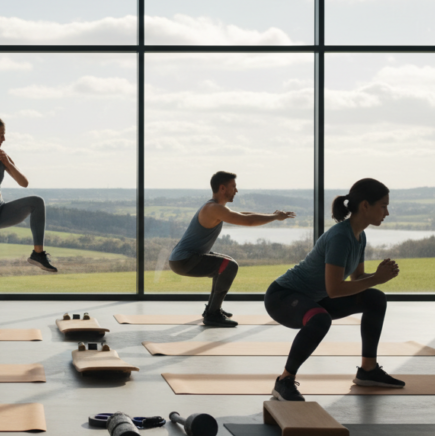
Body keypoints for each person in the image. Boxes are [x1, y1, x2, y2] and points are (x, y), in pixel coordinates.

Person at [265, 178, 403, 402]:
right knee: (320, 319)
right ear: (365, 206)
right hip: (282, 296)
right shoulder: (340, 236)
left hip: (316, 297)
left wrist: (378, 277)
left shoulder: (360, 235)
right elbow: (336, 288)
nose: (387, 212)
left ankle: (368, 370)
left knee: (375, 299)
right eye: (383, 206)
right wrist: (376, 278)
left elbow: (357, 278)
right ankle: (284, 381)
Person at [0, 115, 57, 338]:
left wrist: (7, 163)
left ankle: (38, 254)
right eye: (0, 135)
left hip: (0, 209)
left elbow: (23, 183)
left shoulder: (1, 156)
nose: (4, 139)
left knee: (37, 202)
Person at [169, 171, 296, 327]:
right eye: (233, 186)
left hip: (184, 259)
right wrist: (275, 217)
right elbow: (247, 221)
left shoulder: (216, 207)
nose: (236, 190)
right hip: (184, 260)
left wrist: (272, 215)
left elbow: (242, 214)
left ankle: (212, 309)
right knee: (229, 266)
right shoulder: (213, 208)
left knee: (225, 263)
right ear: (222, 188)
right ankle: (212, 314)